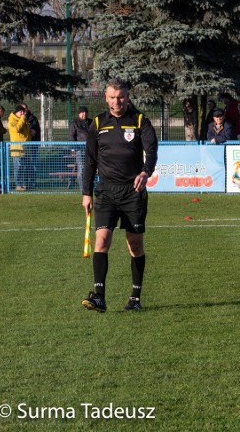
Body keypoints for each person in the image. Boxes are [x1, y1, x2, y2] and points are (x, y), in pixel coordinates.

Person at [81, 79, 158, 312]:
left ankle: (135, 298)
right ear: (106, 97)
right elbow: (90, 161)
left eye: (121, 97)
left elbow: (152, 150)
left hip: (133, 192)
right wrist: (86, 193)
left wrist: (146, 172)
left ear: (128, 96)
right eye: (112, 97)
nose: (117, 102)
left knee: (134, 244)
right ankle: (99, 297)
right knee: (102, 240)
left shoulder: (140, 121)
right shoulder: (97, 123)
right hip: (106, 191)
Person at [69, 106, 93, 188]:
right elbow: (71, 137)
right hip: (80, 150)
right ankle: (83, 188)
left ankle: (91, 186)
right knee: (81, 169)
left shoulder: (91, 122)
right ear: (79, 113)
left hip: (91, 150)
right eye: (82, 112)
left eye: (86, 112)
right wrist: (73, 149)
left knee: (91, 169)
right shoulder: (74, 123)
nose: (84, 114)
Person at [8, 105, 31, 191]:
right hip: (17, 149)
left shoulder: (23, 120)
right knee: (18, 168)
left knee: (25, 168)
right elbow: (17, 129)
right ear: (16, 112)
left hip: (25, 148)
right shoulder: (12, 121)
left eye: (23, 112)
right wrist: (22, 118)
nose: (22, 114)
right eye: (21, 112)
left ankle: (24, 185)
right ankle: (18, 185)